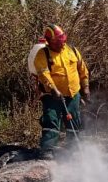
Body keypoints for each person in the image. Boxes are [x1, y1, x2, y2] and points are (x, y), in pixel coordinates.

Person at [33, 24, 90, 159]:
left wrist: (86, 87)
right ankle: (47, 149)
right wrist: (53, 89)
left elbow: (83, 70)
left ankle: (73, 149)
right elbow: (43, 73)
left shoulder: (72, 51)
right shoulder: (43, 54)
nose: (61, 44)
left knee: (74, 120)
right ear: (49, 41)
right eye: (57, 42)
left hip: (73, 94)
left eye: (62, 41)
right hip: (52, 96)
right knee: (51, 120)